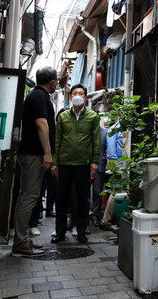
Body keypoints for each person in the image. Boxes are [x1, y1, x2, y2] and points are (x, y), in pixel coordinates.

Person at [12, 66, 57, 257]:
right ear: (53, 81)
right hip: (33, 155)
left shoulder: (36, 95)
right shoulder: (39, 97)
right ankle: (20, 242)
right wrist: (47, 152)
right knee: (28, 197)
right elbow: (41, 123)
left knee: (28, 196)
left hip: (30, 153)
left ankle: (21, 240)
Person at [51, 84, 101, 243]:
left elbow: (96, 141)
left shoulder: (93, 116)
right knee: (62, 199)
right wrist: (54, 162)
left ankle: (81, 231)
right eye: (75, 93)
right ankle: (60, 232)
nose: (78, 95)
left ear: (85, 98)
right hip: (64, 162)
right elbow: (57, 140)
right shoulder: (63, 117)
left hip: (83, 164)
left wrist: (94, 162)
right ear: (71, 97)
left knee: (83, 198)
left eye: (81, 93)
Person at [100, 117, 124, 230]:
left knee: (118, 193)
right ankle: (106, 220)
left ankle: (109, 219)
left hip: (127, 164)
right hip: (119, 165)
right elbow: (111, 151)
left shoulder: (129, 128)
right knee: (116, 193)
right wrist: (117, 166)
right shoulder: (113, 130)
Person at [89, 113, 109, 226]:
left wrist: (107, 164)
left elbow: (107, 149)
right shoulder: (87, 133)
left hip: (100, 166)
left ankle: (95, 215)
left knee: (97, 191)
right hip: (86, 166)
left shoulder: (105, 133)